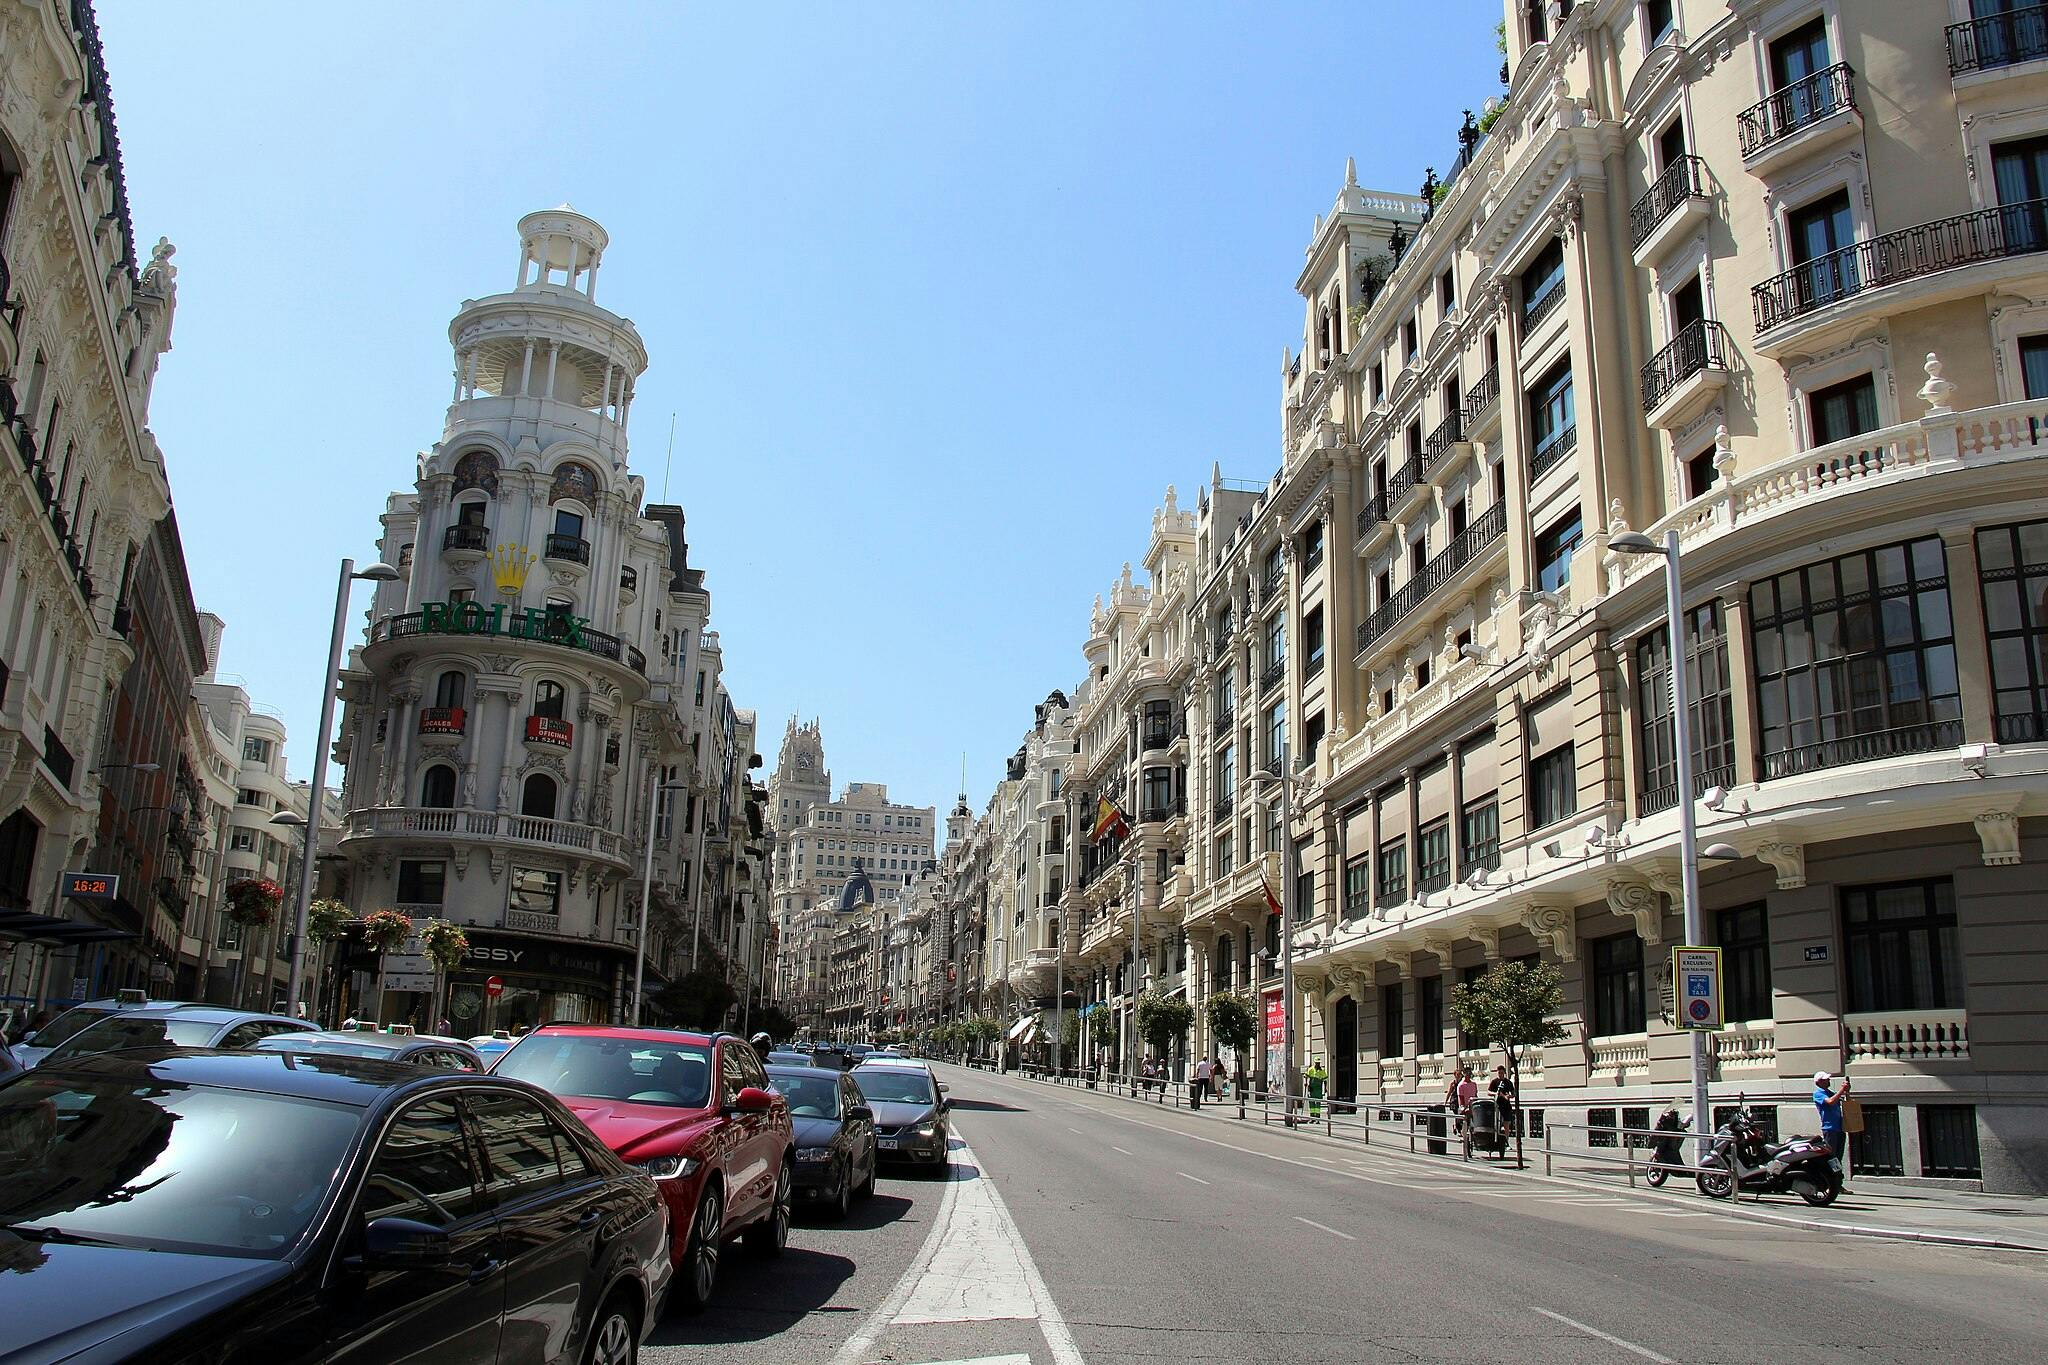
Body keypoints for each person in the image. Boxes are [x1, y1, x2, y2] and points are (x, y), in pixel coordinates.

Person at [1814, 1070, 1850, 1158]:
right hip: (1830, 1128)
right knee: (1831, 1156)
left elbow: (1845, 1101)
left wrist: (1847, 1091)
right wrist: (1842, 1089)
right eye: (1826, 1079)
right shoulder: (1818, 1093)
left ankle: (1837, 1171)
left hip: (1839, 1128)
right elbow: (1830, 1101)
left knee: (1838, 1155)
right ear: (1819, 1082)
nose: (1829, 1080)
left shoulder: (1830, 1093)